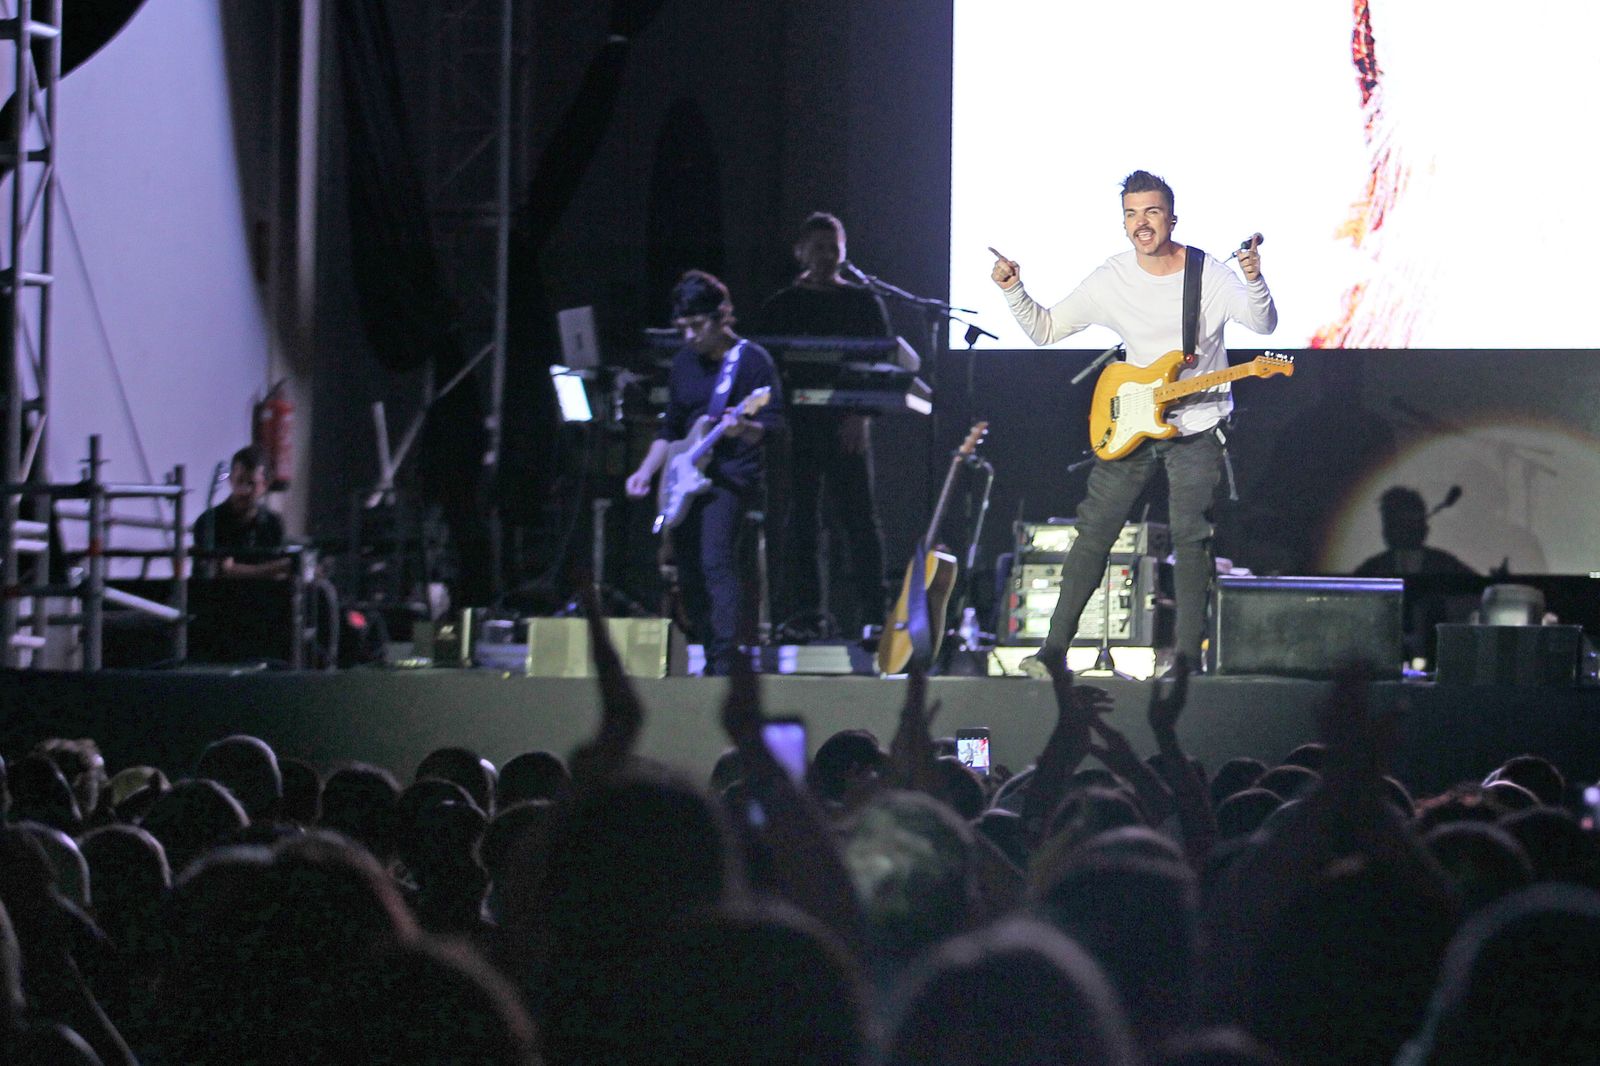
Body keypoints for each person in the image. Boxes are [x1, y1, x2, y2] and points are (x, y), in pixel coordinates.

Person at [990, 170, 1277, 674]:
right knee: (1094, 533)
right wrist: (1015, 289)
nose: (1141, 224)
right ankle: (1053, 651)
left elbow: (1263, 324)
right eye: (1131, 214)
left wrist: (1253, 280)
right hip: (1130, 425)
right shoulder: (1113, 277)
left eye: (1151, 212)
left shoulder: (1207, 273)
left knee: (1192, 538)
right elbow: (1046, 328)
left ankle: (1187, 661)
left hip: (1197, 424)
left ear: (1171, 217)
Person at [626, 270, 783, 676]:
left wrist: (743, 427)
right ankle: (703, 644)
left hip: (730, 476)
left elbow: (776, 426)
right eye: (683, 328)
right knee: (689, 569)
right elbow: (672, 428)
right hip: (686, 476)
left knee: (717, 560)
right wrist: (645, 471)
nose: (691, 336)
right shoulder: (683, 363)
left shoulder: (751, 361)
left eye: (698, 326)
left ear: (723, 315)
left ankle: (724, 659)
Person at [755, 212, 897, 641]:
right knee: (800, 521)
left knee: (859, 522)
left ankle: (874, 616)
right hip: (797, 429)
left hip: (846, 427)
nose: (826, 256)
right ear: (801, 252)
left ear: (844, 252)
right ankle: (805, 616)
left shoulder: (863, 303)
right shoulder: (781, 306)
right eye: (817, 247)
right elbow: (765, 368)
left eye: (833, 248)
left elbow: (879, 364)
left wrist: (860, 414)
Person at [192, 445, 289, 579]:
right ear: (231, 480)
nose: (245, 490)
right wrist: (269, 569)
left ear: (265, 485)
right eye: (240, 481)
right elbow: (217, 570)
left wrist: (235, 569)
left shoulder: (273, 524)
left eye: (252, 483)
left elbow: (283, 572)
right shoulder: (209, 521)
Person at [1354, 487, 1475, 577]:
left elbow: (1478, 589)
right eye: (1393, 522)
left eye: (1409, 521)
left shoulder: (1446, 565)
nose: (1403, 529)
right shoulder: (1372, 569)